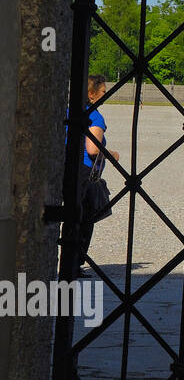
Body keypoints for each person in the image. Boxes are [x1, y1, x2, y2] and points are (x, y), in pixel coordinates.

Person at [71, 74, 120, 275]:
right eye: (102, 91)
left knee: (72, 215)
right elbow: (92, 149)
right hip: (86, 173)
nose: (105, 94)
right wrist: (111, 154)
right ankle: (75, 263)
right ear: (91, 95)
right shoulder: (95, 117)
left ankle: (69, 262)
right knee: (84, 218)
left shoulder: (71, 111)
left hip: (71, 169)